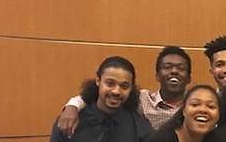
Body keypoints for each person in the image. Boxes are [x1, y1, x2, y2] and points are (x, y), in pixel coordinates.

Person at [56, 46, 192, 136]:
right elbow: (101, 95)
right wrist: (72, 106)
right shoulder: (141, 99)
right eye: (167, 67)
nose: (174, 71)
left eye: (181, 68)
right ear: (157, 75)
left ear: (189, 78)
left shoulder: (197, 104)